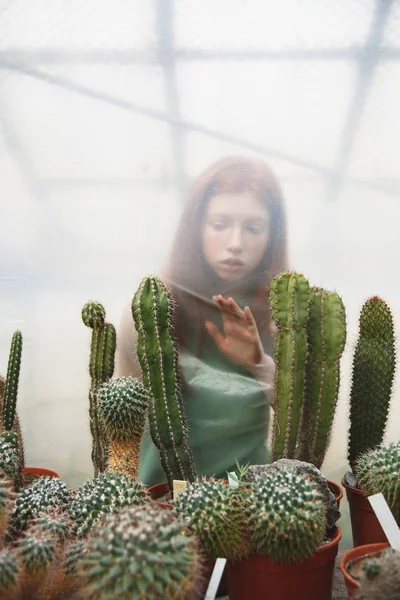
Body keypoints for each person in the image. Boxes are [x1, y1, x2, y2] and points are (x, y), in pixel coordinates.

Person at [116, 155, 288, 486]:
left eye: (253, 228)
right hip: (161, 501)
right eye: (220, 225)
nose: (235, 244)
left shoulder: (283, 318)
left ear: (272, 234)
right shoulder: (151, 311)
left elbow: (301, 422)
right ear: (195, 227)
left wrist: (259, 364)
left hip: (251, 502)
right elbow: (125, 417)